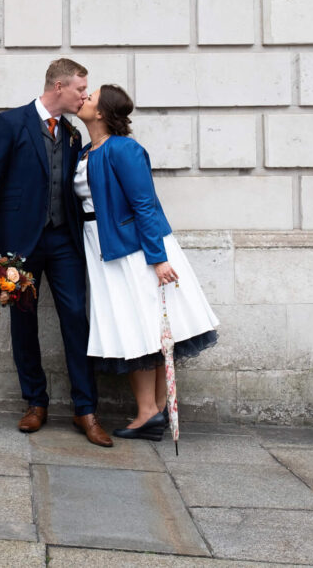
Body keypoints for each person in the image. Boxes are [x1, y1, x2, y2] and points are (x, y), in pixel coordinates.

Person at [0, 58, 111, 448]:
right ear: (59, 88)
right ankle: (35, 403)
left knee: (76, 320)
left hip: (63, 241)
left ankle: (86, 409)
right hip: (19, 242)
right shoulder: (11, 122)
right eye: (81, 89)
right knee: (23, 323)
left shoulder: (70, 135)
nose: (85, 95)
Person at [74, 84, 219, 440]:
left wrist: (157, 258)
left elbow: (145, 204)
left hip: (134, 251)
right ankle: (154, 411)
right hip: (104, 248)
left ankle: (148, 412)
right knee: (142, 326)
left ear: (102, 112)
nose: (84, 99)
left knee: (140, 326)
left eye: (90, 97)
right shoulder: (84, 152)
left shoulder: (124, 149)